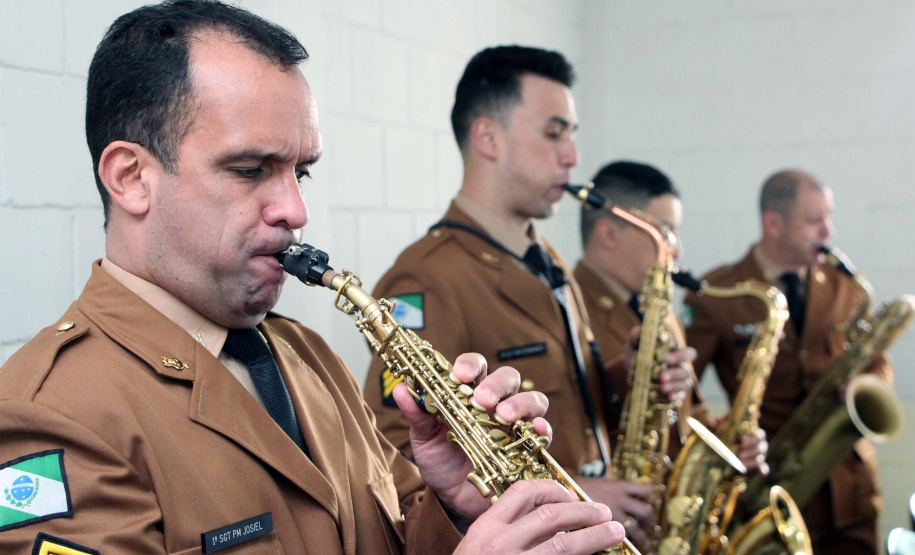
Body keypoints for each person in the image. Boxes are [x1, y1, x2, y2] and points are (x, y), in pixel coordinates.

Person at [0, 2, 628, 554]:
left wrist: (453, 510)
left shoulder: (309, 355)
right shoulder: (49, 414)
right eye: (250, 170)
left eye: (300, 174)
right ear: (132, 178)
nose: (295, 211)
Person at [362, 46, 693, 552]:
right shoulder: (426, 276)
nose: (572, 157)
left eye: (572, 135)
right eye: (554, 133)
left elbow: (570, 403)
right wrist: (567, 493)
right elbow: (399, 454)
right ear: (488, 138)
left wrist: (631, 376)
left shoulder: (546, 258)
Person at [684, 169, 891, 554]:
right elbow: (683, 390)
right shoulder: (718, 291)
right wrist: (724, 441)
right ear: (773, 223)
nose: (828, 231)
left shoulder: (846, 285)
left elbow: (876, 361)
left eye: (829, 217)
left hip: (850, 488)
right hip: (773, 489)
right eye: (814, 220)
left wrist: (868, 384)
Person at [573, 161, 767, 469]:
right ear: (608, 234)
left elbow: (690, 414)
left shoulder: (658, 310)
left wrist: (731, 443)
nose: (677, 251)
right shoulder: (567, 311)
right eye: (664, 231)